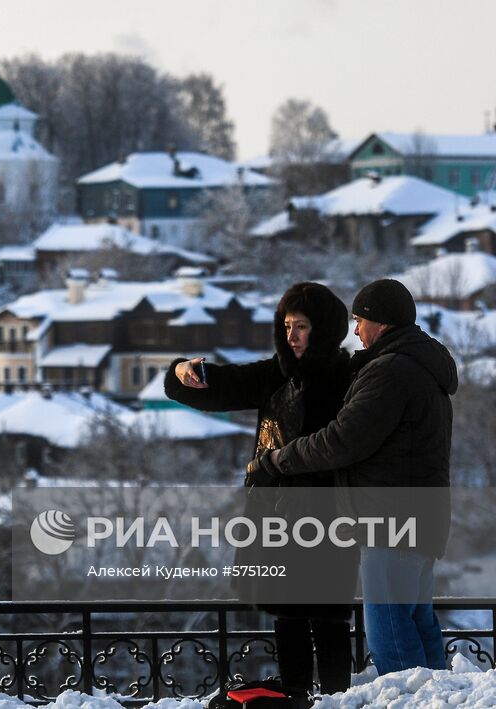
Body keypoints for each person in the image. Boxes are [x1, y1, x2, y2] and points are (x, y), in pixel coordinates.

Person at [251, 278, 457, 677]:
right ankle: (441, 700)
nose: (356, 330)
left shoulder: (390, 372)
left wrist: (276, 460)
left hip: (391, 523)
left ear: (382, 322)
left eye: (360, 320)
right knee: (419, 625)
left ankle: (411, 704)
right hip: (422, 520)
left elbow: (342, 439)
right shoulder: (423, 366)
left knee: (391, 636)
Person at [164, 282, 358, 703]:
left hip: (329, 517)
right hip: (277, 517)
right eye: (287, 326)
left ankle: (339, 700)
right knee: (287, 615)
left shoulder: (349, 378)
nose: (292, 336)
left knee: (328, 619)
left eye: (302, 326)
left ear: (323, 329)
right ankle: (293, 699)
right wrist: (181, 371)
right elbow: (219, 384)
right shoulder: (275, 374)